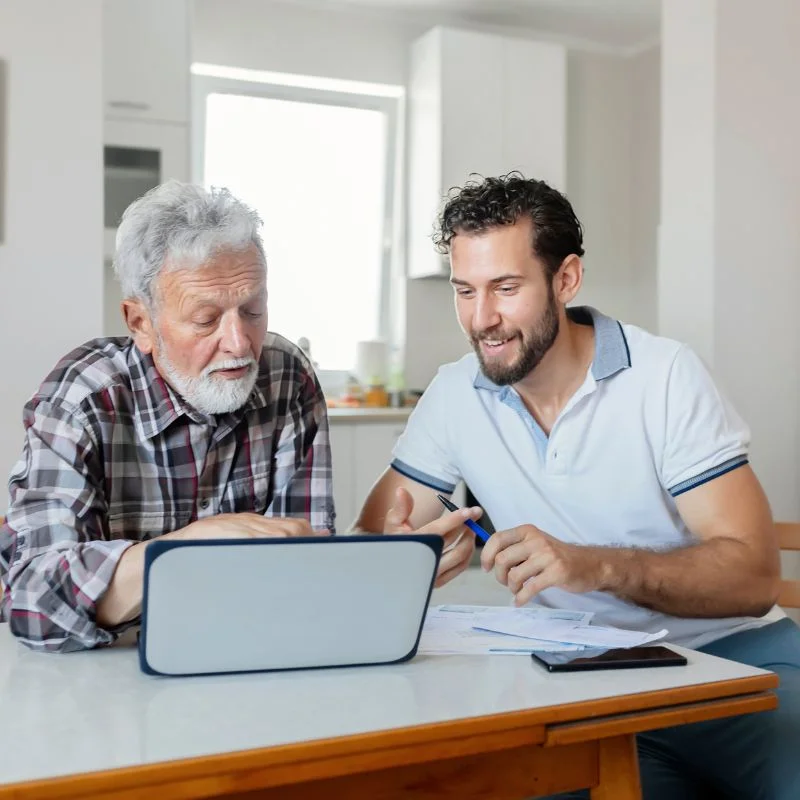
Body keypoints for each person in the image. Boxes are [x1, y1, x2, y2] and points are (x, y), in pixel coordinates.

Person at [356, 173, 800, 799]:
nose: (483, 319)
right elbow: (366, 543)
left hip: (736, 657)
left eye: (506, 288)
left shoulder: (663, 376)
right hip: (579, 685)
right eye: (465, 291)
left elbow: (754, 579)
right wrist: (397, 565)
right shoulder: (456, 393)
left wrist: (591, 567)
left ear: (565, 279)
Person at [0, 180, 478, 654]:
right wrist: (180, 551)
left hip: (243, 653)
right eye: (207, 319)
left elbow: (301, 575)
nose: (240, 342)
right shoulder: (83, 399)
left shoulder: (286, 377)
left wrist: (380, 570)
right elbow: (33, 604)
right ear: (140, 323)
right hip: (100, 679)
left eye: (252, 309)